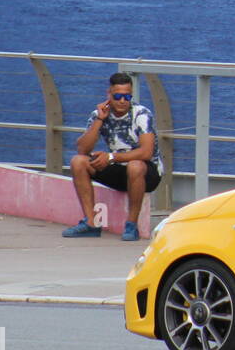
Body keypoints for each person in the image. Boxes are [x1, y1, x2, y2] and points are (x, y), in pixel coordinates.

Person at [63, 73, 164, 241]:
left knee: (135, 165)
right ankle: (90, 223)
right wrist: (99, 121)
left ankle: (132, 225)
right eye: (118, 96)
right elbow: (82, 148)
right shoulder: (99, 114)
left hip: (147, 172)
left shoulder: (142, 114)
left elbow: (146, 152)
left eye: (127, 96)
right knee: (78, 162)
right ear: (109, 94)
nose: (123, 101)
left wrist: (110, 157)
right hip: (120, 168)